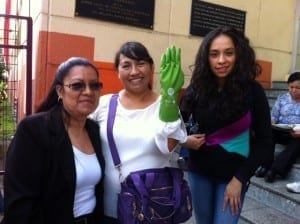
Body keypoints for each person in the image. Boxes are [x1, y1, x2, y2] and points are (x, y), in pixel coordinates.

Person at [180, 26, 273, 224]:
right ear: (207, 58)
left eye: (228, 53)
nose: (221, 60)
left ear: (239, 54)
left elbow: (265, 141)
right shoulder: (196, 88)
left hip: (234, 176)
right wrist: (184, 140)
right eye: (214, 54)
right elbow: (176, 126)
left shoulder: (253, 91)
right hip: (199, 172)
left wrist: (240, 178)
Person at [90, 41, 187, 223]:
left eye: (141, 63)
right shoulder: (104, 104)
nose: (134, 71)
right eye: (126, 65)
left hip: (152, 209)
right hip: (110, 206)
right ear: (118, 72)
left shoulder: (167, 107)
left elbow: (168, 147)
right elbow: (76, 132)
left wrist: (170, 98)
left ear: (151, 68)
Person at [1, 57, 105, 224]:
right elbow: (19, 203)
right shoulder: (34, 130)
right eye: (77, 85)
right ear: (60, 91)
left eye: (94, 85)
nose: (88, 92)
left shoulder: (93, 130)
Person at [255, 72, 300, 183]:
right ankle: (265, 165)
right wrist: (273, 122)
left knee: (298, 142)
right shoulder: (282, 99)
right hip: (282, 131)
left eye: (298, 88)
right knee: (269, 131)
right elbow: (274, 116)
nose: (293, 90)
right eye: (291, 87)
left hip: (297, 135)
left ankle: (274, 170)